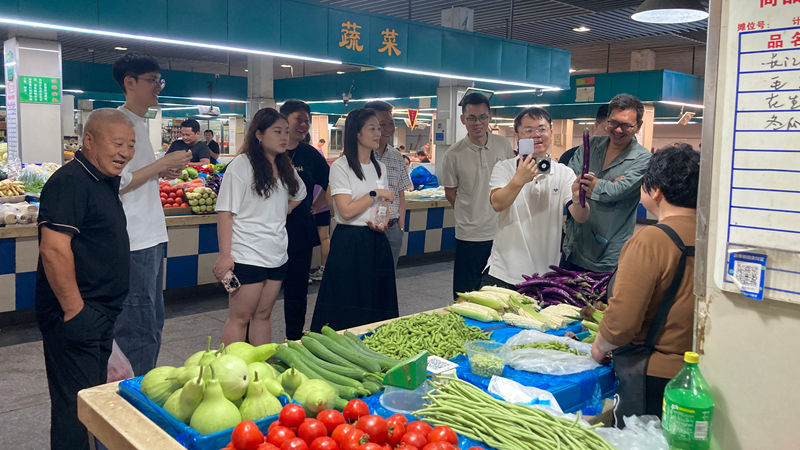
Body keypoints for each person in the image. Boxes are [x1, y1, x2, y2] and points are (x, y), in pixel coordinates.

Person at [36, 109, 136, 450]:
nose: (125, 152)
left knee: (89, 402)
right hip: (77, 315)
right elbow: (53, 249)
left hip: (98, 312)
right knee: (73, 407)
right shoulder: (70, 182)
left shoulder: (101, 179)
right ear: (89, 141)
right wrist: (75, 311)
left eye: (131, 144)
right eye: (118, 143)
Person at [590, 145, 699, 422]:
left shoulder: (651, 240)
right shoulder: (711, 239)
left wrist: (599, 347)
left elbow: (621, 324)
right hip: (696, 377)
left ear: (656, 191)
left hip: (652, 378)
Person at [113, 53, 192, 376]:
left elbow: (135, 176)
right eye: (152, 81)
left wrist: (163, 172)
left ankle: (141, 384)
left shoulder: (139, 124)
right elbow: (116, 182)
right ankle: (131, 394)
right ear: (129, 83)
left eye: (160, 81)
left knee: (152, 318)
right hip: (135, 239)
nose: (158, 88)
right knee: (138, 322)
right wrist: (160, 164)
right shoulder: (118, 124)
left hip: (151, 236)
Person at [213, 108, 306, 345]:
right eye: (277, 131)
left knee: (263, 316)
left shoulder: (285, 167)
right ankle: (231, 370)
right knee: (240, 317)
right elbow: (225, 212)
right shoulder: (242, 166)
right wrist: (225, 256)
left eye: (286, 131)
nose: (284, 137)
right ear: (259, 134)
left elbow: (301, 193)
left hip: (277, 253)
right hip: (247, 254)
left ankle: (261, 370)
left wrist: (285, 209)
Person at [310, 109, 398, 331]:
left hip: (377, 240)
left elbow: (384, 207)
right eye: (372, 128)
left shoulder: (381, 167)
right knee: (348, 302)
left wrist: (383, 221)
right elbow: (346, 211)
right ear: (356, 133)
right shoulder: (341, 166)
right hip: (349, 242)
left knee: (377, 300)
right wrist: (374, 194)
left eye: (379, 128)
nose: (378, 133)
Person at [483, 107, 590, 289]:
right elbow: (498, 204)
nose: (536, 135)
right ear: (517, 136)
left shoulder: (564, 172)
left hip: (546, 274)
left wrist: (578, 198)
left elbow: (580, 216)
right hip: (504, 271)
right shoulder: (504, 168)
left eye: (542, 129)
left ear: (551, 131)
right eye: (529, 130)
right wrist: (519, 179)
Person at [562, 93, 652, 273]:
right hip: (573, 246)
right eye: (614, 123)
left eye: (626, 125)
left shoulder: (643, 158)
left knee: (598, 301)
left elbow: (616, 191)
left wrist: (594, 185)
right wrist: (606, 186)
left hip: (607, 256)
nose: (618, 130)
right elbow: (570, 179)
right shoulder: (592, 145)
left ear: (638, 126)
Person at [441, 92, 514, 298]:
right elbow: (451, 193)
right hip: (469, 234)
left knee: (497, 292)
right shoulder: (453, 154)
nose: (477, 123)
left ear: (490, 117)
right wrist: (472, 211)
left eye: (482, 117)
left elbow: (511, 183)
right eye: (471, 118)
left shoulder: (503, 146)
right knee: (466, 292)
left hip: (500, 231)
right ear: (463, 119)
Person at [278, 100, 330, 340]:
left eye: (307, 120)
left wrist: (316, 204)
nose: (304, 125)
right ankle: (250, 343)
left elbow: (329, 182)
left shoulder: (310, 155)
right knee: (260, 293)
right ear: (284, 119)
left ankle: (294, 339)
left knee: (297, 292)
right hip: (268, 233)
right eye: (298, 118)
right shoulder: (268, 151)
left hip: (300, 231)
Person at [365, 100, 413, 267]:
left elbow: (401, 193)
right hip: (367, 228)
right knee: (366, 279)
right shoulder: (358, 157)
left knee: (389, 279)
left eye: (389, 123)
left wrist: (400, 227)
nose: (386, 129)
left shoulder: (397, 156)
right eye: (380, 124)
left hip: (392, 228)